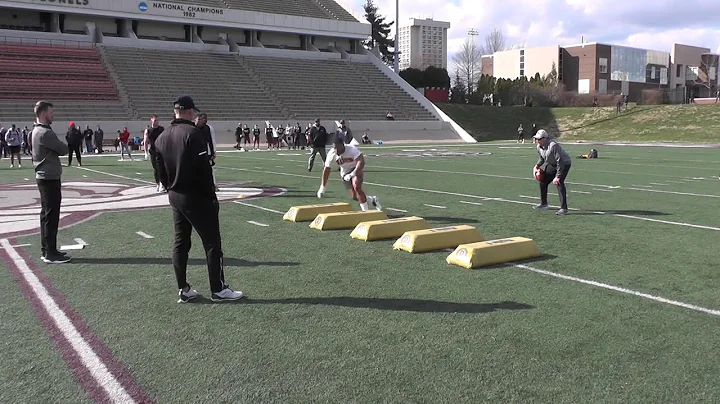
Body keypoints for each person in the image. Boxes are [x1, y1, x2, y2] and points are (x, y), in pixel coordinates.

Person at [154, 96, 243, 303]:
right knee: (212, 242)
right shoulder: (193, 133)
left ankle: (183, 288)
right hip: (196, 195)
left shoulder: (162, 136)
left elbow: (159, 170)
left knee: (180, 243)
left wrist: (170, 186)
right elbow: (203, 169)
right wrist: (211, 196)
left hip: (175, 195)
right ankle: (218, 289)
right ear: (189, 111)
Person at [31, 101, 71, 264]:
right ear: (43, 113)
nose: (53, 115)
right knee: (51, 216)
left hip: (44, 177)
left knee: (46, 214)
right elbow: (63, 149)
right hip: (49, 178)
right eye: (51, 112)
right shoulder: (45, 133)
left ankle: (47, 249)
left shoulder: (36, 130)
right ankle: (50, 253)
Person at [317, 133, 382, 212]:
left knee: (356, 186)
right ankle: (372, 200)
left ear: (342, 144)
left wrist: (352, 174)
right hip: (344, 173)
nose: (336, 150)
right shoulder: (332, 154)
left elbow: (361, 161)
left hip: (355, 169)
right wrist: (322, 188)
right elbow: (326, 170)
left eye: (337, 147)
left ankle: (366, 212)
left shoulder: (351, 149)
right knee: (354, 196)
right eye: (334, 147)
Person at [532, 129, 572, 215]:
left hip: (564, 163)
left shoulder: (553, 146)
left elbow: (560, 161)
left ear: (545, 138)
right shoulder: (539, 147)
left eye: (539, 139)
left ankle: (564, 208)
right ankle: (544, 204)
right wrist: (537, 166)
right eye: (536, 139)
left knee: (559, 182)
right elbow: (542, 158)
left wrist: (558, 176)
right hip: (553, 163)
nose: (537, 141)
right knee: (543, 181)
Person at [195, 112, 218, 191]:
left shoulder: (209, 128)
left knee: (211, 169)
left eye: (205, 119)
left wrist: (213, 151)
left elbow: (212, 140)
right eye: (201, 119)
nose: (204, 120)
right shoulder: (193, 128)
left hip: (206, 152)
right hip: (195, 152)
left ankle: (213, 184)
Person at [144, 115, 165, 192]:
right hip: (153, 151)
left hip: (161, 150)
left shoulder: (161, 129)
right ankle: (158, 183)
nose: (156, 121)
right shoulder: (148, 130)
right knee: (156, 168)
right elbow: (145, 141)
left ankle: (163, 183)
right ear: (151, 120)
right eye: (155, 120)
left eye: (157, 120)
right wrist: (146, 152)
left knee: (162, 167)